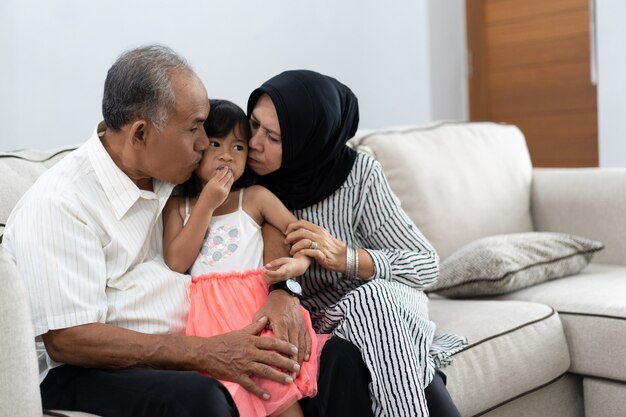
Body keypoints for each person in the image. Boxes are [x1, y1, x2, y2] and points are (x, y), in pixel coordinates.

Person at [2, 45, 374, 417]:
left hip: (211, 329)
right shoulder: (60, 204)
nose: (203, 144)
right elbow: (69, 341)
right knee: (203, 398)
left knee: (340, 359)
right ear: (141, 133)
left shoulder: (171, 175)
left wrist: (281, 289)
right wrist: (207, 352)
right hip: (90, 369)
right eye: (194, 128)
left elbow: (258, 215)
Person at [246, 69, 468, 417]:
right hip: (325, 323)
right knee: (376, 315)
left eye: (273, 137)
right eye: (253, 125)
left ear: (309, 140)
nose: (254, 143)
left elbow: (427, 266)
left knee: (373, 299)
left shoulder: (359, 174)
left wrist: (346, 258)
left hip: (389, 308)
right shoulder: (251, 187)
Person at [162, 99, 329, 417]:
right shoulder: (178, 206)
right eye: (215, 144)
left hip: (257, 311)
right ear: (196, 147)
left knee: (276, 389)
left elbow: (303, 235)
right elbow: (176, 262)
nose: (226, 154)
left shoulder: (255, 198)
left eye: (238, 147)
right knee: (234, 396)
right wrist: (206, 204)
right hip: (210, 322)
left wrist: (299, 265)